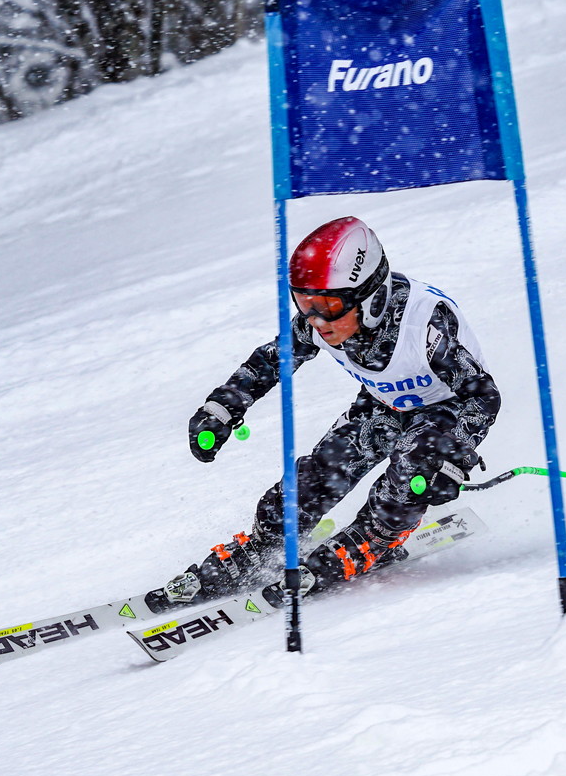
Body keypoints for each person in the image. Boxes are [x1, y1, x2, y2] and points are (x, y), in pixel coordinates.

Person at [145, 216, 502, 612]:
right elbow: (271, 360)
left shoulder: (423, 325)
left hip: (445, 412)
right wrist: (222, 408)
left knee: (412, 466)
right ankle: (267, 544)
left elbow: (482, 396)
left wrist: (452, 459)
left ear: (372, 298)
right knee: (316, 474)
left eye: (328, 306)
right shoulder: (321, 323)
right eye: (304, 303)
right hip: (384, 405)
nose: (315, 320)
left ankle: (376, 536)